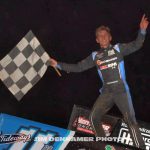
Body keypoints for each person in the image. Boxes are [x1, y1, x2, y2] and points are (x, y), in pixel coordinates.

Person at [50, 14, 149, 149]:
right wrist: (58, 65)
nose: (102, 37)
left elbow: (137, 45)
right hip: (107, 92)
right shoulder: (95, 56)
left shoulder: (118, 49)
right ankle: (105, 145)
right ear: (97, 40)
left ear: (110, 37)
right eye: (99, 36)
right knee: (93, 117)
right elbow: (78, 67)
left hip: (121, 91)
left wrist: (142, 31)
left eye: (105, 35)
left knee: (130, 120)